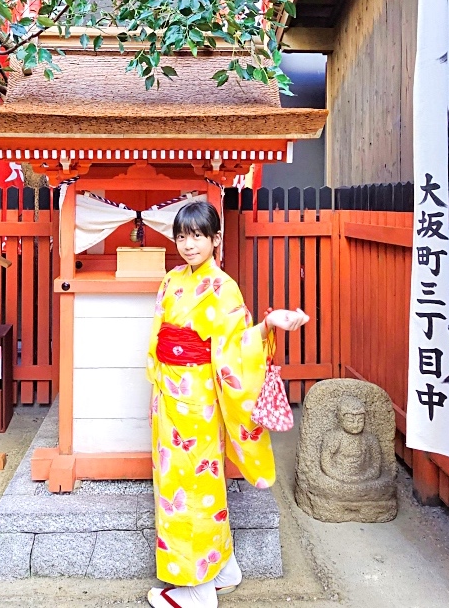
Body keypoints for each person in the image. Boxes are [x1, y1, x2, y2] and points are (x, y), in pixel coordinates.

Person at [145, 200, 309, 608]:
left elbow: (235, 348)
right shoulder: (171, 281)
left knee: (193, 483)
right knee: (176, 483)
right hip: (168, 394)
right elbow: (158, 336)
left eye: (198, 236)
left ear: (216, 239)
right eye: (181, 236)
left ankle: (197, 589)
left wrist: (268, 325)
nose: (188, 245)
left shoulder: (223, 287)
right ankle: (225, 568)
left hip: (199, 402)